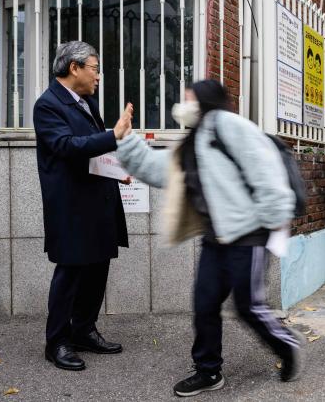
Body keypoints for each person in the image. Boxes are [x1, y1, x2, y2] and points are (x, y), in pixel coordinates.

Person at [114, 80, 305, 397]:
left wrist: (272, 221)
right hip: (215, 240)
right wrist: (125, 139)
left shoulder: (229, 126)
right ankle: (208, 371)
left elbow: (265, 169)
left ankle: (287, 346)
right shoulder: (195, 140)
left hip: (249, 234)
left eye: (190, 98)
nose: (184, 104)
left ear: (205, 100)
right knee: (204, 304)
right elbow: (158, 169)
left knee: (249, 308)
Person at [33, 41, 133, 371]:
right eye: (94, 68)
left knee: (97, 268)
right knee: (71, 272)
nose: (98, 77)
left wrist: (118, 171)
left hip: (97, 199)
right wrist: (113, 135)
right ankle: (57, 342)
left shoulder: (85, 102)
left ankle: (84, 331)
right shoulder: (47, 105)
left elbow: (92, 152)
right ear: (73, 68)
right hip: (72, 204)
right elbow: (66, 146)